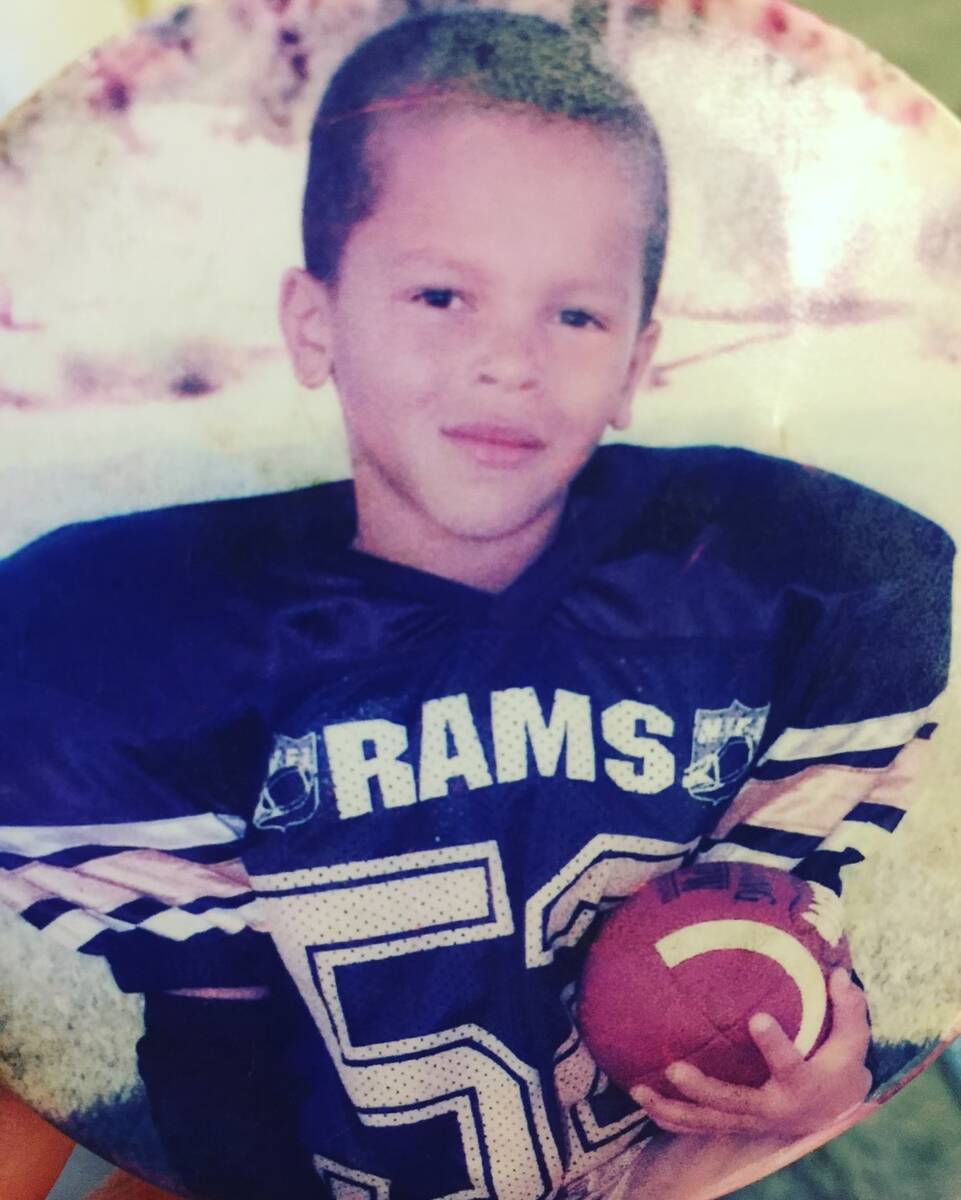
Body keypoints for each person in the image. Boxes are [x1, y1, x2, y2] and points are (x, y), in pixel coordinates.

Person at [0, 9, 952, 1200]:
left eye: (574, 314)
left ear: (637, 362)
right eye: (443, 295)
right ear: (315, 322)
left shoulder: (783, 588)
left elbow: (767, 925)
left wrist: (819, 1059)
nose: (512, 358)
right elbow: (210, 1038)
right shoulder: (135, 644)